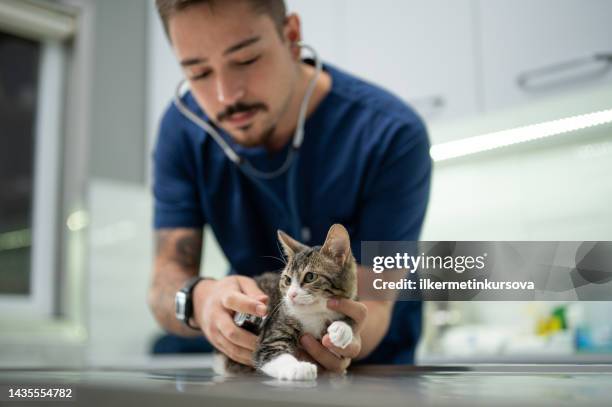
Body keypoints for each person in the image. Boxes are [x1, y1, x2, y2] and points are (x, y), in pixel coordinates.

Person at [148, 0, 431, 371]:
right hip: (263, 361)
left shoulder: (390, 134)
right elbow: (165, 283)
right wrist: (199, 299)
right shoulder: (183, 132)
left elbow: (374, 301)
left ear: (292, 36)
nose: (225, 96)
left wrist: (339, 338)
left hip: (374, 368)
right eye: (198, 73)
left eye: (246, 60)